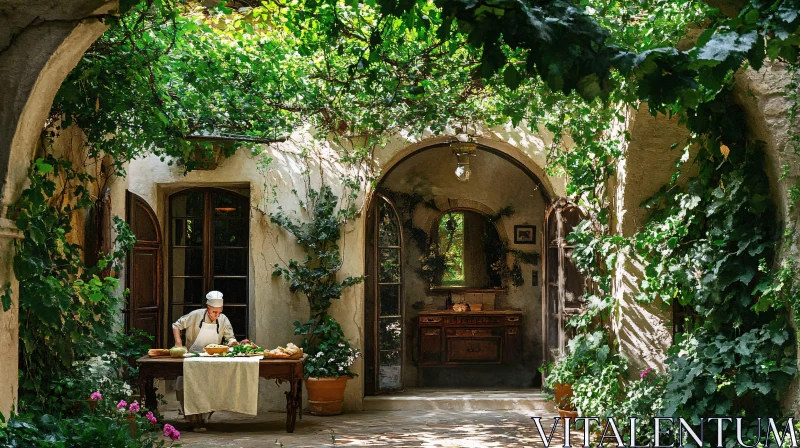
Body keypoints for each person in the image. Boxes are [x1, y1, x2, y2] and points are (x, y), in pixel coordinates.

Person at [172, 290, 239, 432]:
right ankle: (190, 419)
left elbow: (230, 337)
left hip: (212, 358)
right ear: (207, 308)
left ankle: (203, 419)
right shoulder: (195, 315)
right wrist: (178, 343)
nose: (217, 315)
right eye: (214, 312)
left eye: (219, 312)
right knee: (186, 386)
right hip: (193, 356)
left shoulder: (223, 319)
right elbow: (176, 325)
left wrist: (233, 342)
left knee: (211, 387)